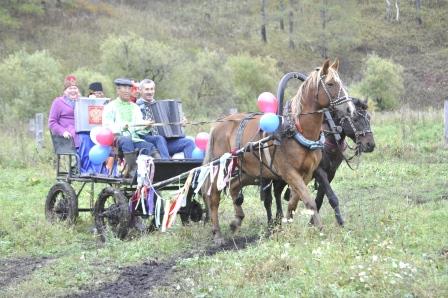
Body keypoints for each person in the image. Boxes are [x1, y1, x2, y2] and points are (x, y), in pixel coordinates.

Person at [102, 78, 160, 177]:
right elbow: (107, 126)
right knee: (126, 140)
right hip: (117, 140)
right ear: (118, 90)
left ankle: (158, 171)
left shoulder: (135, 107)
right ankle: (132, 171)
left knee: (148, 146)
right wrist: (121, 127)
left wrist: (146, 126)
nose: (127, 91)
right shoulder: (110, 107)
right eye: (124, 88)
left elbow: (138, 128)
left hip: (134, 139)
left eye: (129, 89)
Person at [48, 75, 101, 174]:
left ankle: (96, 169)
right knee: (83, 138)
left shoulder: (82, 101)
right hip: (69, 132)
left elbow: (92, 114)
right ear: (65, 90)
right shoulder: (58, 102)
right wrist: (63, 131)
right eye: (70, 88)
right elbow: (52, 123)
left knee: (94, 138)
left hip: (83, 128)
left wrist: (92, 101)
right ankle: (84, 169)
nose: (73, 91)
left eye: (75, 88)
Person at [137, 79, 195, 158]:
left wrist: (181, 122)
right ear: (140, 90)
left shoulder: (159, 106)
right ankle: (167, 165)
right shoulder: (136, 106)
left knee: (189, 142)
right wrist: (145, 125)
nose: (150, 92)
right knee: (159, 138)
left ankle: (190, 168)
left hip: (166, 141)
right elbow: (136, 129)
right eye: (146, 89)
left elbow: (174, 121)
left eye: (152, 89)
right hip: (149, 141)